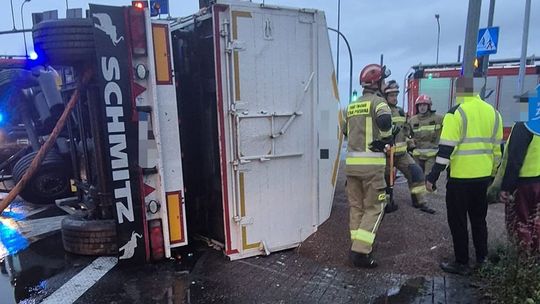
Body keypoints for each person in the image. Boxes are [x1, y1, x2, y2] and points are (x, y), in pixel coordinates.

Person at [426, 77, 503, 275]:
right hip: (483, 178)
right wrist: (492, 176)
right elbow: (497, 151)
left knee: (458, 221)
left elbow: (445, 151)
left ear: (459, 92)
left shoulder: (455, 113)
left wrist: (432, 177)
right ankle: (482, 259)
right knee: (479, 220)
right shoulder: (494, 113)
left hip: (460, 180)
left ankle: (462, 262)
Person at [342, 64, 392, 268]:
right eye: (383, 80)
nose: (385, 84)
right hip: (372, 167)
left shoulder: (350, 107)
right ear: (377, 83)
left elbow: (345, 131)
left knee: (356, 207)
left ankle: (356, 244)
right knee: (375, 207)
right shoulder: (379, 102)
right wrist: (386, 139)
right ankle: (361, 253)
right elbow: (385, 120)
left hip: (352, 167)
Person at [383, 80, 435, 214]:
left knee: (416, 173)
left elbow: (406, 131)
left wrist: (411, 145)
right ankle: (386, 204)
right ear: (385, 96)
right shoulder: (381, 110)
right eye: (391, 95)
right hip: (386, 155)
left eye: (396, 95)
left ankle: (420, 201)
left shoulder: (400, 111)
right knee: (386, 181)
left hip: (401, 155)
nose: (394, 98)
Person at [498, 121, 540, 254]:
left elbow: (515, 159)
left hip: (526, 184)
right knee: (537, 225)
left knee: (520, 224)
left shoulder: (525, 124)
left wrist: (506, 187)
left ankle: (524, 263)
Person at [409, 94, 444, 174]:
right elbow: (407, 135)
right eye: (420, 105)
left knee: (428, 177)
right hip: (416, 155)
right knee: (417, 178)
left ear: (429, 106)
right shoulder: (412, 121)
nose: (422, 107)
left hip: (431, 155)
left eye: (424, 105)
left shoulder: (439, 119)